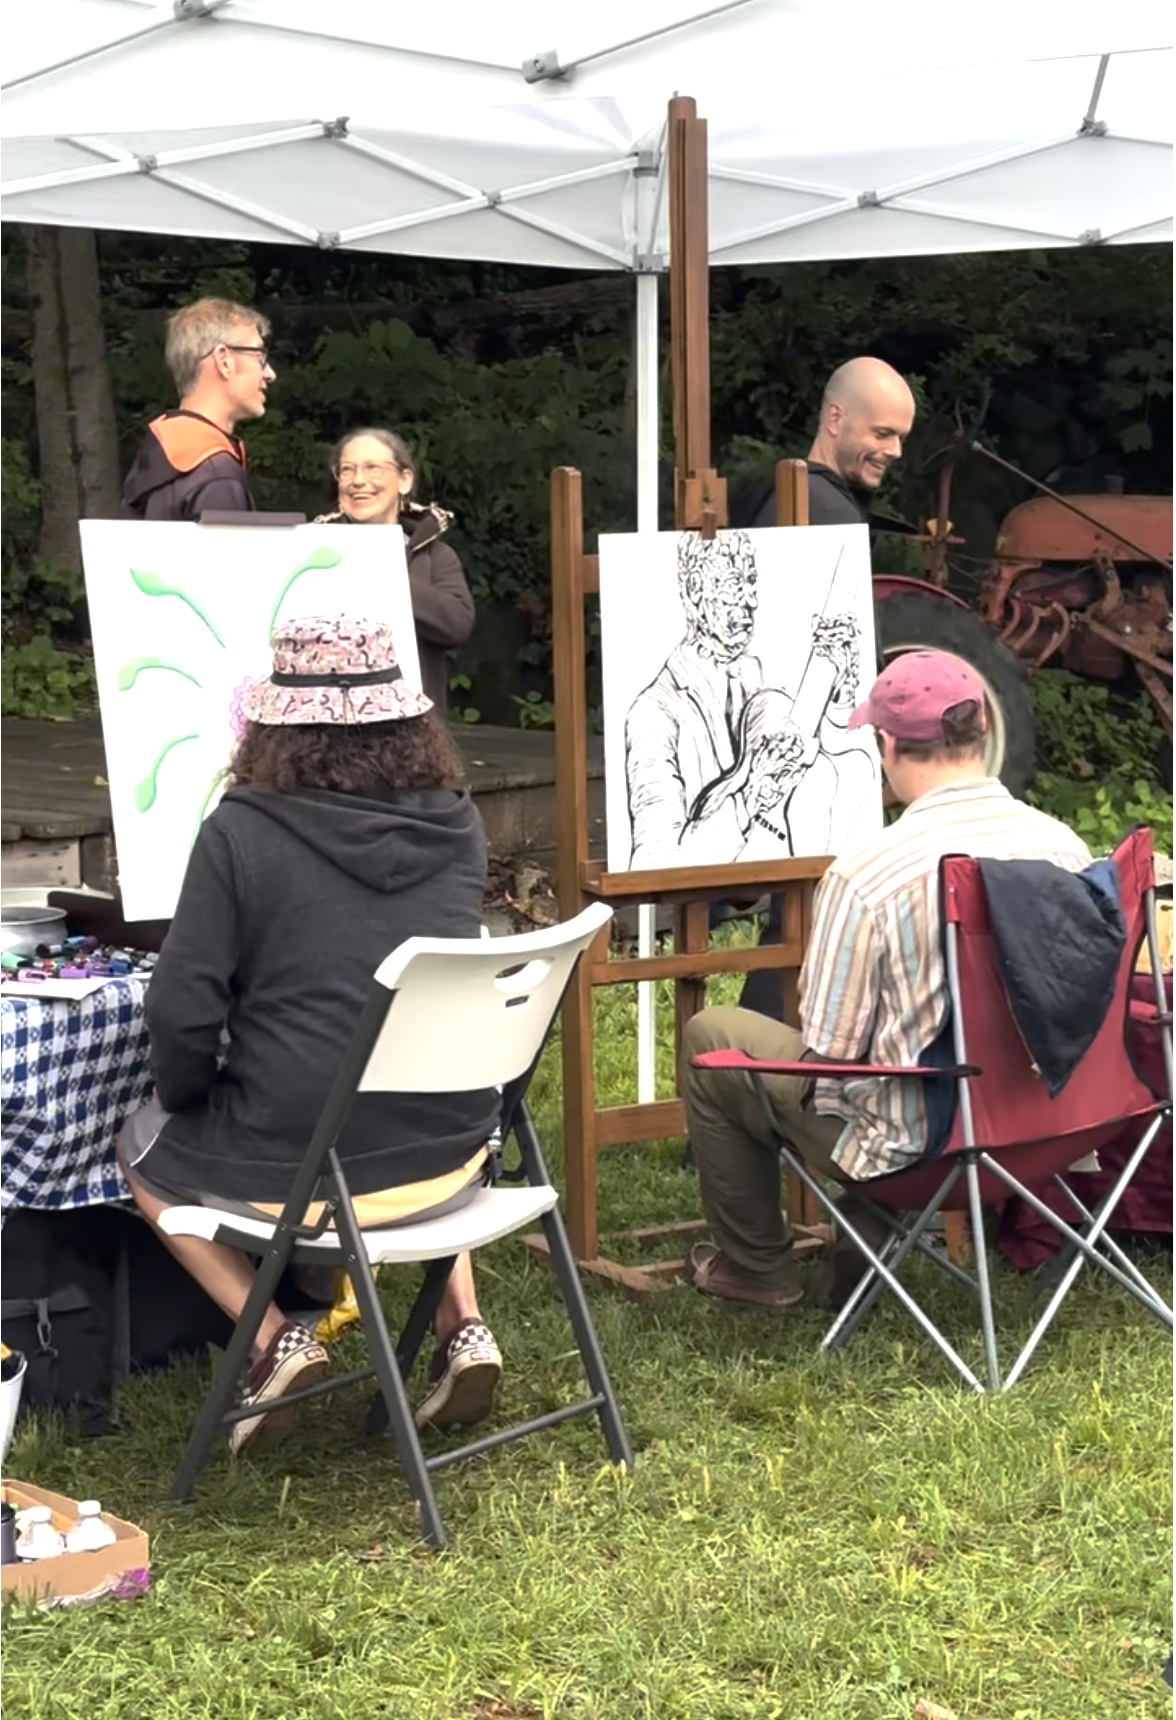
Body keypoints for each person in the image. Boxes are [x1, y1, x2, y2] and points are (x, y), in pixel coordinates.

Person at [116, 615, 502, 1452]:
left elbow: (182, 1009)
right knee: (402, 1086)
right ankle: (464, 1325)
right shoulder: (458, 824)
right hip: (453, 1153)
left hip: (303, 1161)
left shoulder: (242, 830)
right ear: (407, 723)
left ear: (276, 726)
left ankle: (272, 1342)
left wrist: (186, 1096)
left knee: (141, 1147)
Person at [680, 650, 1094, 1315]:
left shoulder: (870, 873)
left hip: (927, 1145)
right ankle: (860, 1240)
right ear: (983, 727)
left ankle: (757, 1269)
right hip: (1053, 1130)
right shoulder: (1064, 848)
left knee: (713, 1035)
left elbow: (831, 1052)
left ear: (888, 745)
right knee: (911, 1063)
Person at [739, 356, 917, 1015]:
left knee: (804, 910)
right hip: (808, 738)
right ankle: (772, 1049)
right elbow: (812, 638)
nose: (894, 451)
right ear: (835, 418)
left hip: (795, 732)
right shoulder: (819, 508)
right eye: (882, 433)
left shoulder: (783, 494)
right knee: (812, 910)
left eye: (901, 437)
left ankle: (766, 1044)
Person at [625, 530, 763, 866]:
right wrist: (747, 804)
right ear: (695, 590)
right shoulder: (654, 711)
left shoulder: (755, 677)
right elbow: (655, 860)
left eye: (751, 582)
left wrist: (838, 698)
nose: (750, 601)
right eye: (733, 584)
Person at [316, 428, 475, 710]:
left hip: (410, 722)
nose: (358, 480)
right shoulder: (314, 550)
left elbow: (457, 626)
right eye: (347, 470)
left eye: (373, 468)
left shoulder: (434, 555)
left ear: (404, 480)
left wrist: (381, 573)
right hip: (328, 716)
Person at [121, 298, 276, 521]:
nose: (270, 374)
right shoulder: (217, 476)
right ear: (224, 361)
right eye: (259, 356)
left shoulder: (157, 458)